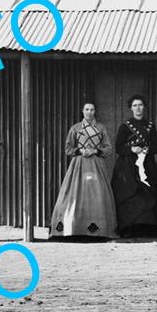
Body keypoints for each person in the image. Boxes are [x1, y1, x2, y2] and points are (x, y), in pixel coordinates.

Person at [50, 101, 118, 238]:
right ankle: (74, 229)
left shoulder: (101, 128)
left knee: (98, 194)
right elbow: (68, 149)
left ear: (95, 112)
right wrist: (80, 150)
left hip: (96, 164)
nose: (89, 112)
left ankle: (101, 230)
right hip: (79, 165)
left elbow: (109, 149)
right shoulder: (75, 128)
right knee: (74, 193)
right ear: (82, 111)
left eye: (92, 109)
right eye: (87, 109)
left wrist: (95, 150)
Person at [111, 94, 157, 237]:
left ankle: (149, 228)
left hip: (147, 164)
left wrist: (148, 150)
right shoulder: (125, 126)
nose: (138, 108)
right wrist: (131, 149)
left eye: (140, 105)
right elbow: (118, 147)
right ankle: (130, 228)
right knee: (130, 193)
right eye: (135, 106)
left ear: (144, 107)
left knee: (151, 191)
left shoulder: (150, 126)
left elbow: (156, 147)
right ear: (131, 108)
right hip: (128, 166)